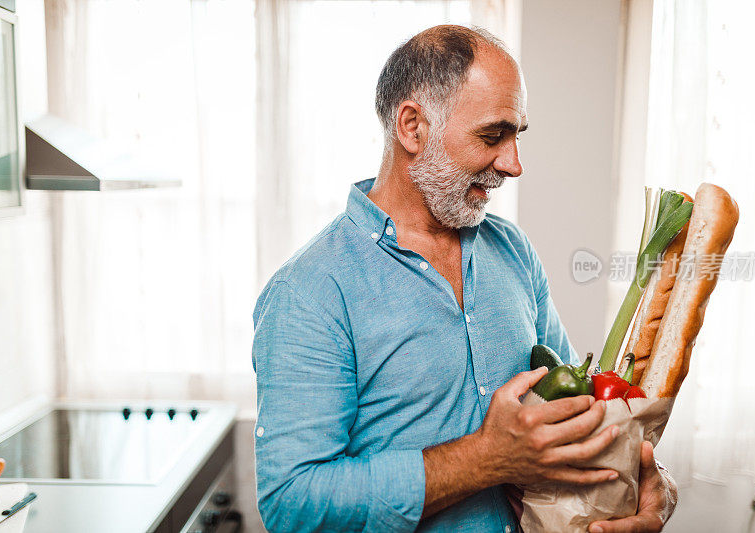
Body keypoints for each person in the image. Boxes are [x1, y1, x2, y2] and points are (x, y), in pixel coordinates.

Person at [252, 24, 677, 533]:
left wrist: (649, 486)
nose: (514, 164)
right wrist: (484, 459)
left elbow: (576, 415)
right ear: (412, 126)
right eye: (492, 134)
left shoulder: (514, 251)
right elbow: (292, 503)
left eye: (517, 135)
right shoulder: (311, 292)